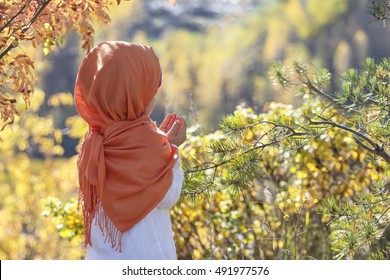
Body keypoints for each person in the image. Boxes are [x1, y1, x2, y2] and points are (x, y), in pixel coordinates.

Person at [74, 41, 186, 260]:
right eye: (149, 90)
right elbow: (169, 194)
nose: (153, 96)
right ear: (132, 95)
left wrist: (159, 144)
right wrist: (172, 148)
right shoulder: (146, 141)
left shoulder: (92, 141)